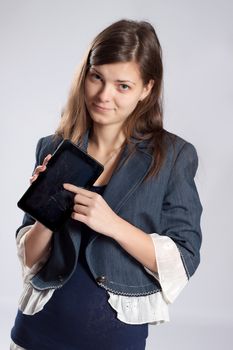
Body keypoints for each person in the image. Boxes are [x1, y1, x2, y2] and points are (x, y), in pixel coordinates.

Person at [10, 19, 202, 350]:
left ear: (147, 89)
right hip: (37, 331)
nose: (103, 95)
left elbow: (184, 258)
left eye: (122, 86)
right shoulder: (52, 147)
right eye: (97, 77)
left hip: (113, 336)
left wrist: (112, 224)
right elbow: (30, 258)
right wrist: (46, 209)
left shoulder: (173, 156)